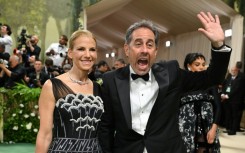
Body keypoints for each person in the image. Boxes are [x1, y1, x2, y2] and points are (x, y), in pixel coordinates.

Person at [98, 12, 231, 153]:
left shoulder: (171, 73)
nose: (144, 50)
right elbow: (106, 127)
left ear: (155, 51)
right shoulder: (110, 80)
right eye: (138, 44)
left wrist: (218, 45)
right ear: (126, 49)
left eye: (150, 45)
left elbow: (213, 78)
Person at [35, 30, 104, 153]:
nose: (88, 55)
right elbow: (45, 135)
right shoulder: (52, 86)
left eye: (92, 49)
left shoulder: (98, 87)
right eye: (81, 49)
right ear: (70, 53)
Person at [179, 53, 221, 153]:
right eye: (197, 65)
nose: (201, 67)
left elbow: (218, 107)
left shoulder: (210, 83)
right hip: (186, 128)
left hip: (206, 128)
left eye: (203, 64)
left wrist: (213, 129)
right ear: (188, 66)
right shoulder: (181, 83)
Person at [221, 66, 245, 135]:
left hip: (235, 101)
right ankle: (228, 128)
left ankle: (233, 130)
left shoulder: (240, 79)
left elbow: (236, 90)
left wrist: (227, 96)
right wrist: (223, 94)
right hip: (227, 100)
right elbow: (224, 86)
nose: (233, 71)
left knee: (234, 116)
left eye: (234, 70)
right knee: (229, 115)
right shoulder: (229, 78)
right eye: (232, 70)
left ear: (237, 71)